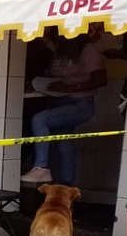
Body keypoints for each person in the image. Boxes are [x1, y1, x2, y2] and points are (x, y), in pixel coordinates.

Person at [21, 25, 108, 185]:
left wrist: (69, 87)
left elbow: (101, 79)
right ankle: (67, 186)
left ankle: (41, 167)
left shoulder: (88, 50)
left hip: (80, 103)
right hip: (59, 101)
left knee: (40, 119)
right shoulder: (60, 51)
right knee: (64, 143)